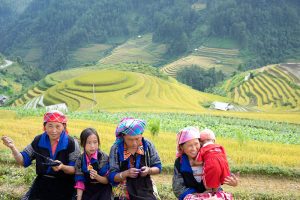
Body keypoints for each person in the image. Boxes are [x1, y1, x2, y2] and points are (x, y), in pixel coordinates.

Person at [1, 110, 80, 200]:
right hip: (42, 183)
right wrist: (12, 147)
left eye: (58, 126)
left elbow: (75, 169)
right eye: (50, 126)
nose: (54, 130)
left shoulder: (71, 143)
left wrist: (62, 167)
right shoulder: (38, 140)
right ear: (44, 126)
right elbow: (23, 160)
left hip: (65, 185)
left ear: (64, 126)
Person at [172, 127, 238, 200]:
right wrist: (197, 195)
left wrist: (233, 182)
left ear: (200, 143)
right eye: (189, 145)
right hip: (191, 196)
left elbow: (221, 169)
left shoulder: (210, 156)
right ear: (182, 147)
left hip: (212, 195)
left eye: (196, 144)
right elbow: (177, 188)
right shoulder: (180, 162)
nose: (194, 148)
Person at [108, 117, 162, 200]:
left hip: (145, 185)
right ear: (123, 136)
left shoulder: (148, 146)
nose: (134, 143)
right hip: (123, 186)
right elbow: (112, 176)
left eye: (137, 139)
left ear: (141, 135)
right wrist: (126, 173)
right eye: (130, 139)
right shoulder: (116, 149)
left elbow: (158, 167)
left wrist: (149, 170)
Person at [74, 128, 112, 200]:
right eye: (89, 143)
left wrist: (97, 176)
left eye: (95, 142)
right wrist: (79, 198)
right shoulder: (80, 160)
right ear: (83, 144)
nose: (92, 146)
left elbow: (107, 180)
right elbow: (80, 181)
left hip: (103, 190)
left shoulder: (103, 157)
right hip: (87, 189)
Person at [195, 129, 230, 193]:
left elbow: (198, 162)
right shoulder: (220, 147)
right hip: (223, 165)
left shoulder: (203, 149)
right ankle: (215, 193)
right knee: (217, 182)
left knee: (208, 182)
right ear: (213, 140)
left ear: (201, 142)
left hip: (212, 165)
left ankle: (209, 192)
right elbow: (224, 157)